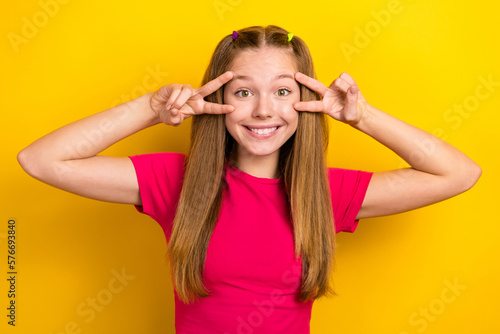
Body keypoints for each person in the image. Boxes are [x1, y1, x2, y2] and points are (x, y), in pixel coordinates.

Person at [17, 25, 481, 333]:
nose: (263, 110)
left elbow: (460, 172)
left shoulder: (326, 194)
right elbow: (41, 161)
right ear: (217, 98)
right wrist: (151, 109)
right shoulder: (176, 181)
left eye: (283, 91)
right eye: (243, 92)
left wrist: (361, 117)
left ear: (306, 99)